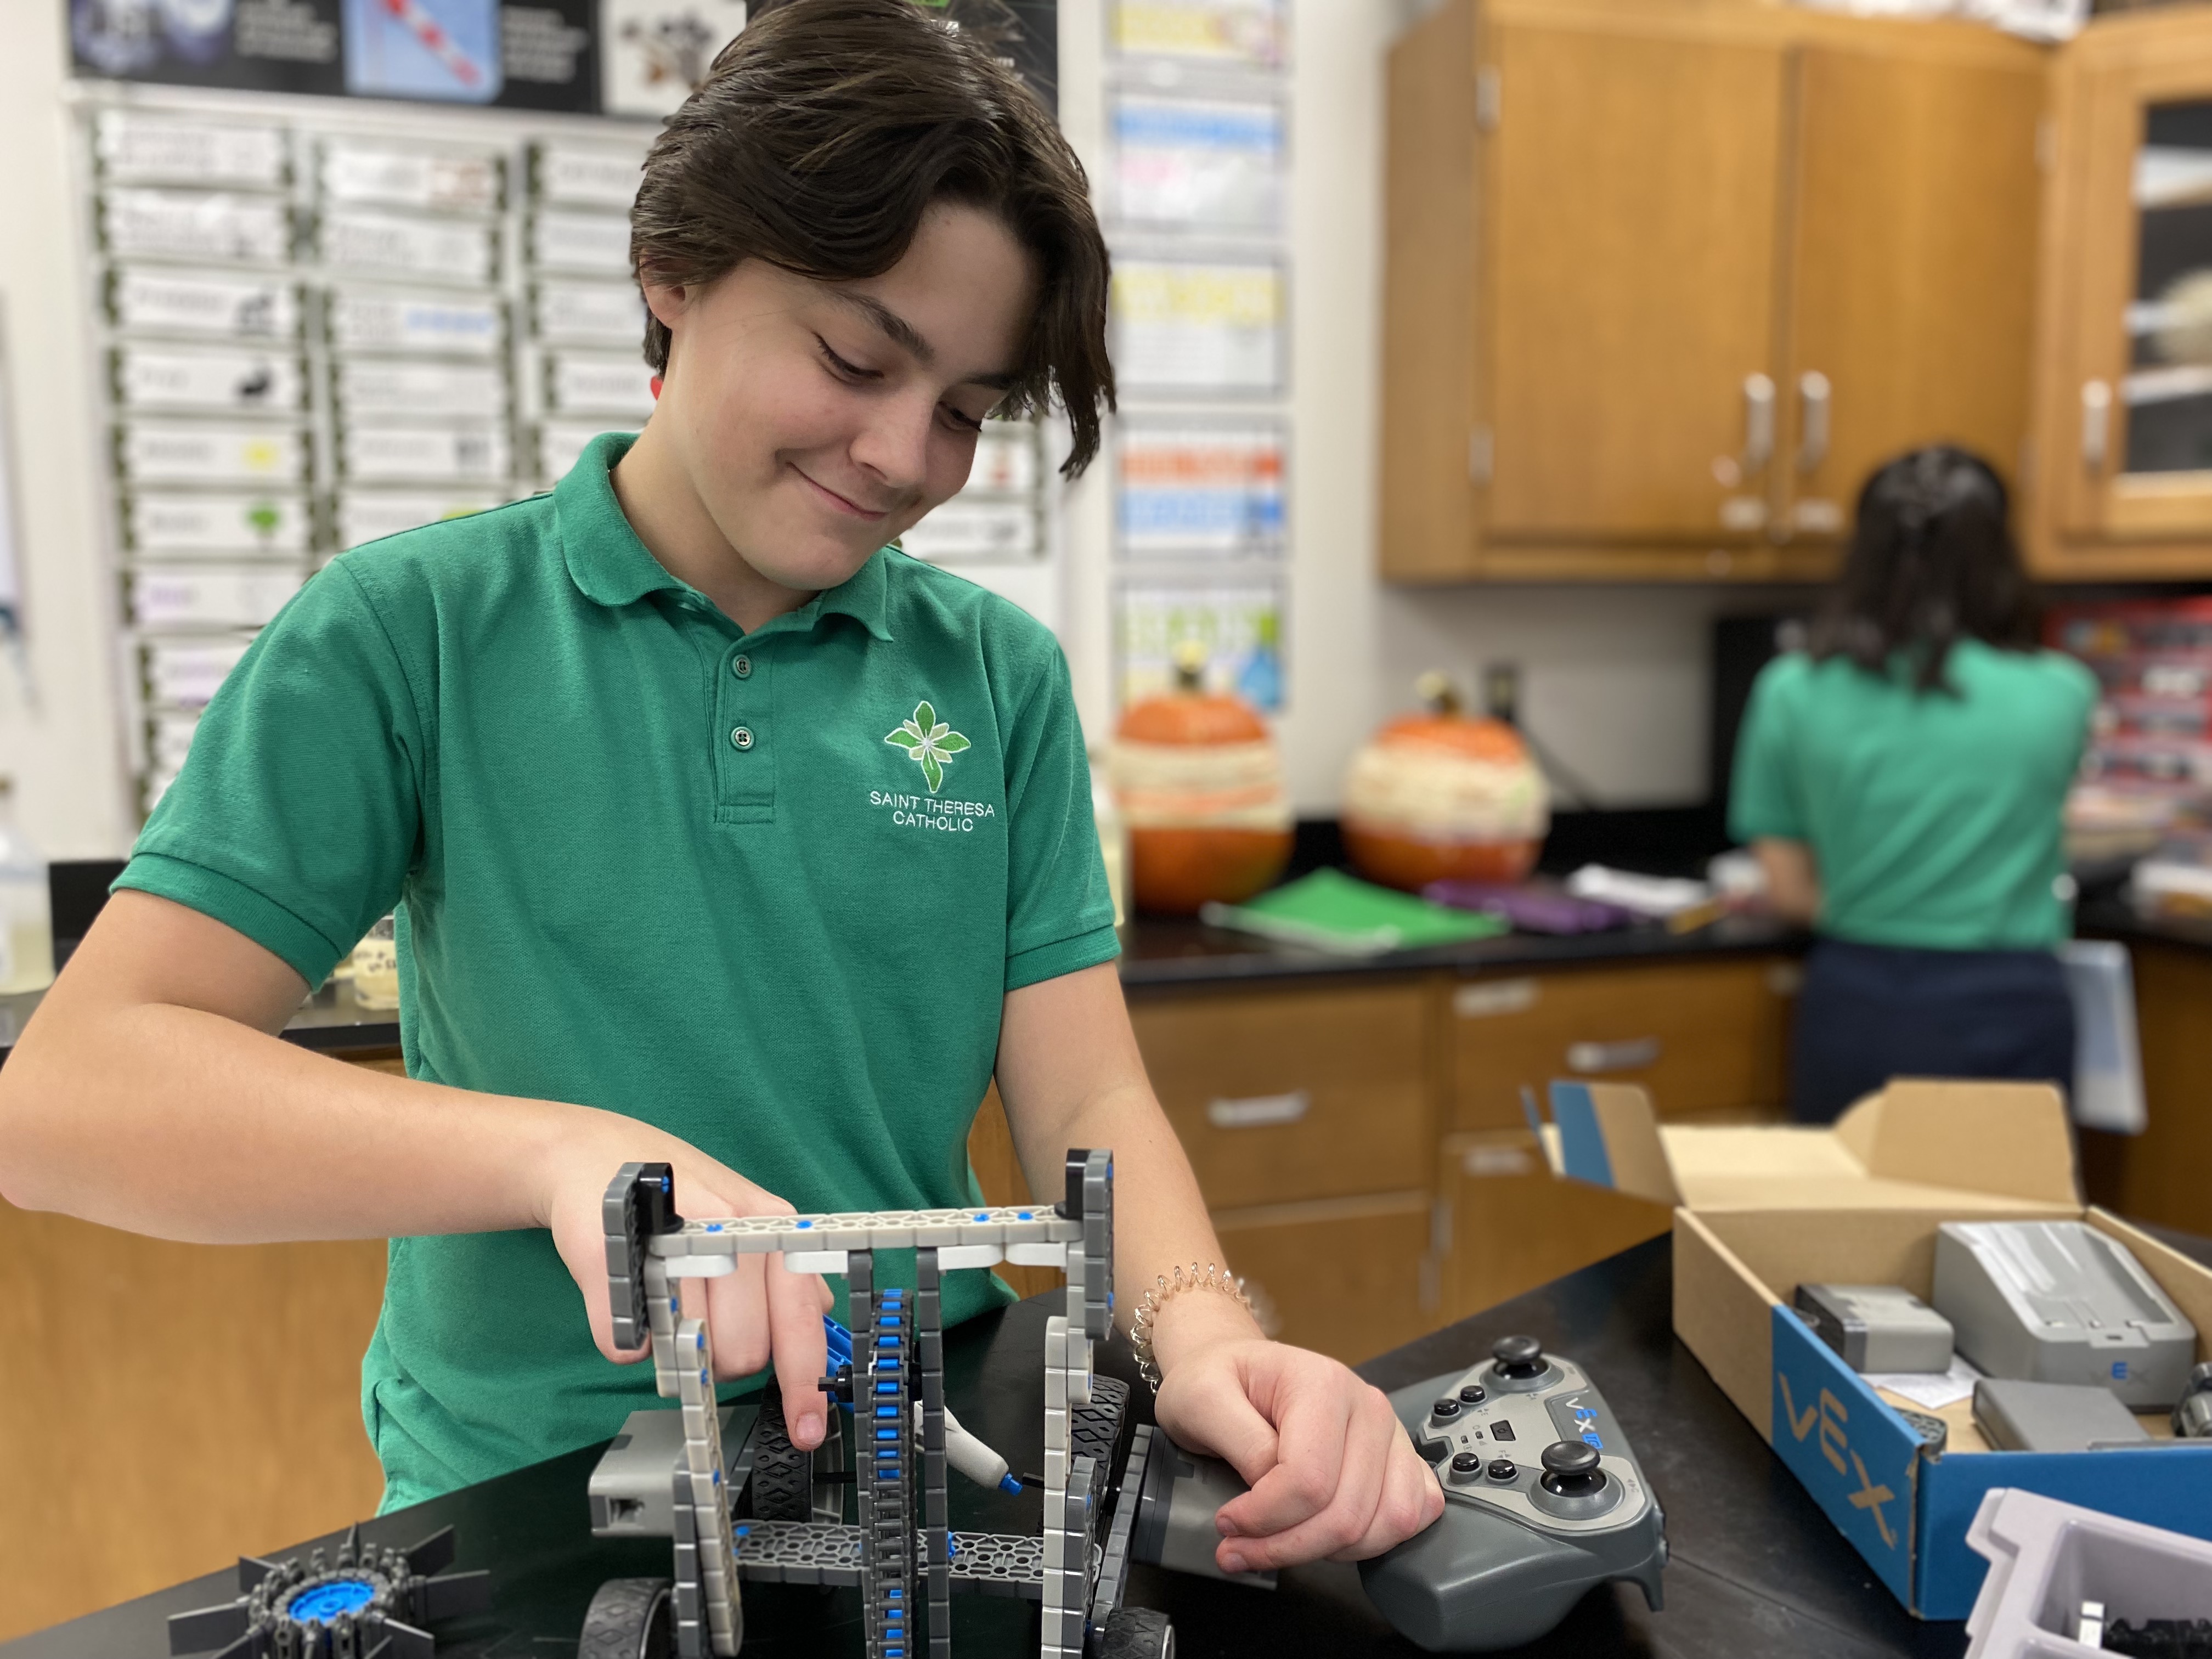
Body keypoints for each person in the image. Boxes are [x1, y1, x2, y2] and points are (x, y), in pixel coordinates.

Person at [0, 0, 1439, 1576]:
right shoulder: (410, 633)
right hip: (541, 1483)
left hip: (931, 1432)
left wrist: (1205, 1333)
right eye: (854, 358)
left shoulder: (996, 679)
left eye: (966, 410)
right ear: (674, 273)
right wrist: (564, 1160)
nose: (904, 455)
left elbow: (1087, 1099)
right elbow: (69, 1100)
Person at [1731, 445, 2096, 1124]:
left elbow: (1790, 891)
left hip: (1859, 1003)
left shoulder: (1791, 691)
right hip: (2011, 1001)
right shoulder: (2063, 692)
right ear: (1999, 554)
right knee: (2010, 1226)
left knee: (1846, 1224)